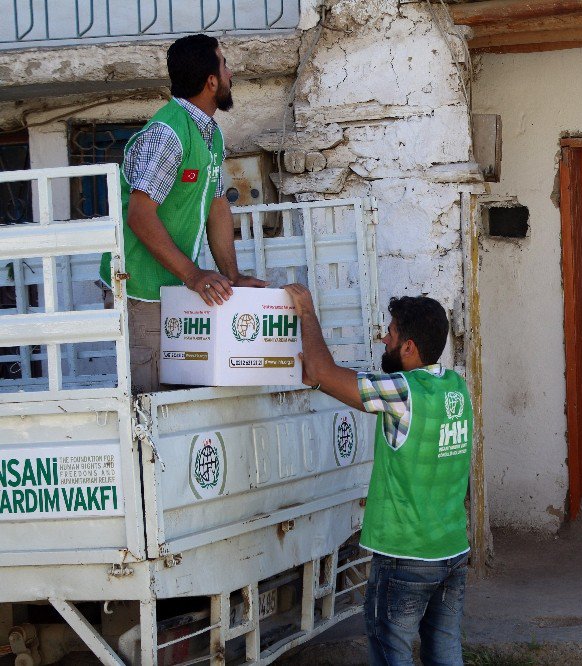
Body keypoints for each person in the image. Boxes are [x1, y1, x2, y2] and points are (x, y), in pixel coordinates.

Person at [284, 284, 472, 666]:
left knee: (392, 656)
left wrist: (305, 310)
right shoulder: (455, 387)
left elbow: (322, 370)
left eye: (391, 333)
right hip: (451, 551)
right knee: (445, 654)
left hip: (406, 555)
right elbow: (336, 380)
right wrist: (326, 382)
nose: (383, 338)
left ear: (409, 347)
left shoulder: (402, 392)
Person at [99, 33, 266, 393]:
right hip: (139, 292)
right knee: (150, 410)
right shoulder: (167, 133)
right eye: (224, 65)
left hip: (174, 291)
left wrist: (231, 275)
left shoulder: (211, 134)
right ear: (211, 81)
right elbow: (140, 216)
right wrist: (194, 276)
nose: (231, 73)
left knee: (179, 405)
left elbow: (217, 204)